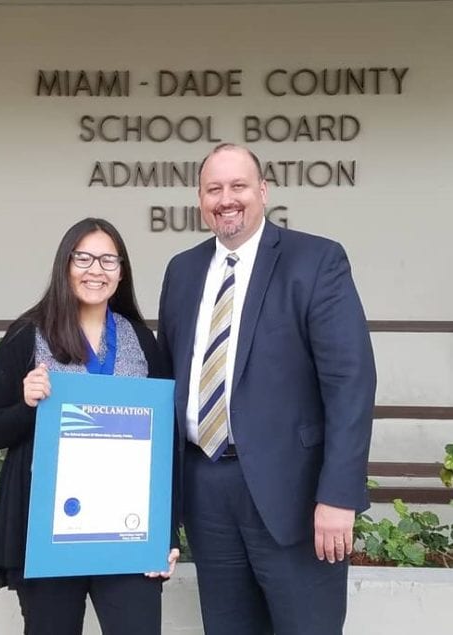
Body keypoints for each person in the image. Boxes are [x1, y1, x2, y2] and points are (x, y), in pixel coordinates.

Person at [157, 144, 376, 635]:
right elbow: (166, 376)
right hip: (206, 489)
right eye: (214, 189)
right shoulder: (183, 271)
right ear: (200, 198)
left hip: (293, 494)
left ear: (263, 191)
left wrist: (339, 494)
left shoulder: (316, 260)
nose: (226, 199)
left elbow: (350, 381)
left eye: (238, 186)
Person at [0, 217, 179, 635]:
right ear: (65, 265)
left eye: (108, 259)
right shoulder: (27, 336)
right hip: (51, 538)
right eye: (84, 258)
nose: (96, 270)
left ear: (121, 271)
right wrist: (28, 404)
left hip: (128, 535)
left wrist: (167, 531)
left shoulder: (141, 342)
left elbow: (166, 443)